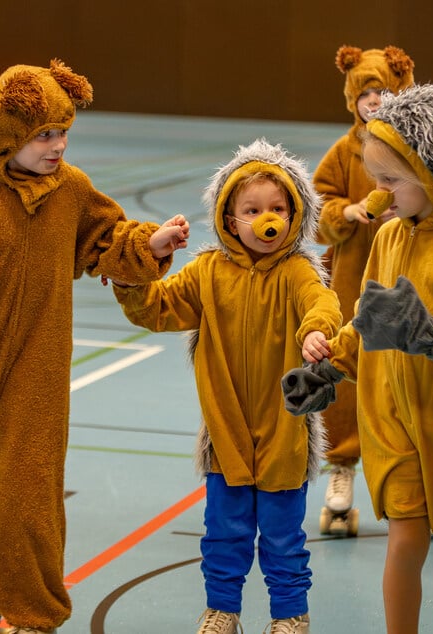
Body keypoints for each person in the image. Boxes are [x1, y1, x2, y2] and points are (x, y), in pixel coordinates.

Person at [0, 59, 189, 634]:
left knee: (27, 496)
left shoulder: (72, 191)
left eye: (63, 132)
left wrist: (149, 243)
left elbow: (107, 238)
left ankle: (32, 615)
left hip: (38, 367)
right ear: (7, 137)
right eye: (44, 135)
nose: (58, 146)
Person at [281, 84, 433, 634]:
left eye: (391, 181)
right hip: (392, 421)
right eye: (374, 181)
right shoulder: (389, 237)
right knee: (405, 535)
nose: (377, 195)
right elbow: (370, 320)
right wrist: (329, 368)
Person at [111, 138, 341, 634]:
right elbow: (155, 307)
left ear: (295, 213)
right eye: (252, 209)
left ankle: (289, 615)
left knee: (283, 536)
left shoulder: (299, 270)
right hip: (226, 428)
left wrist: (317, 331)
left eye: (277, 208)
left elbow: (321, 303)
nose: (266, 219)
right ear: (229, 218)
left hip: (285, 428)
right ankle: (223, 610)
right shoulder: (208, 272)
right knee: (224, 532)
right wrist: (139, 267)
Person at [311, 45, 414, 526]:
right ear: (352, 100)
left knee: (408, 373)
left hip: (408, 271)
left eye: (381, 91)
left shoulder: (413, 145)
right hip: (353, 275)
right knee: (347, 369)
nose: (373, 100)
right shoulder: (343, 152)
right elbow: (316, 206)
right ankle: (343, 465)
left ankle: (417, 478)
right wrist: (346, 213)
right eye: (364, 93)